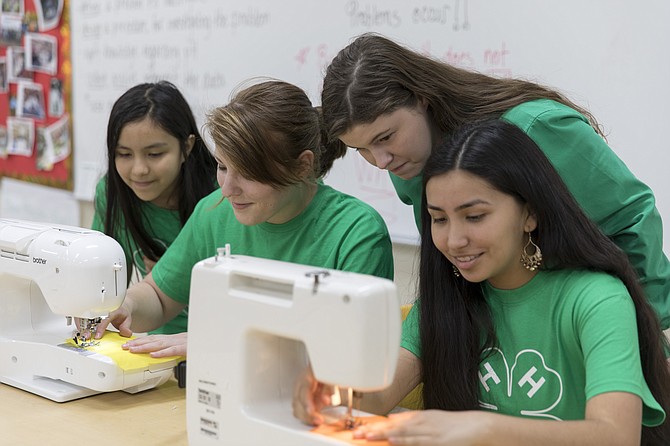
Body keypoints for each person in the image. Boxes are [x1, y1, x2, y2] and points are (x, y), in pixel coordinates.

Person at [295, 119, 670, 445]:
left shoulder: (596, 299)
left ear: (530, 213)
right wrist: (325, 391)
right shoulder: (449, 299)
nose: (454, 240)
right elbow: (376, 396)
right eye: (439, 219)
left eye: (474, 216)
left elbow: (615, 435)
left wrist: (483, 430)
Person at [321, 33, 670, 329]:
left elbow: (632, 218)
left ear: (421, 98)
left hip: (593, 323)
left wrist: (645, 328)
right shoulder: (409, 166)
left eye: (385, 137)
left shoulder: (537, 128)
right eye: (361, 149)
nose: (380, 162)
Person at [94, 79, 394, 357]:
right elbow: (160, 297)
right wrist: (128, 305)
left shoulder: (357, 233)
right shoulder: (214, 212)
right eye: (222, 166)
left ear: (303, 166)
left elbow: (345, 349)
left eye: (248, 173)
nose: (227, 188)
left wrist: (218, 340)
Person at [92, 81, 218, 335]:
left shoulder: (222, 196)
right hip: (160, 348)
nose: (139, 169)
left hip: (217, 343)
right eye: (124, 154)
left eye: (155, 154)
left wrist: (175, 274)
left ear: (187, 147)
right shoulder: (112, 194)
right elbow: (103, 284)